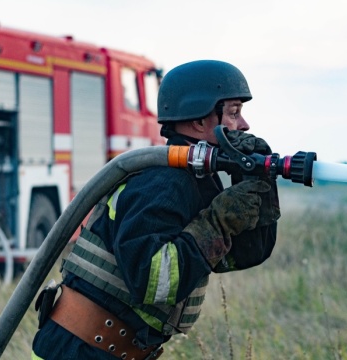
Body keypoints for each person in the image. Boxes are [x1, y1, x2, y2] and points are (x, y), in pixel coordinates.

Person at [31, 59, 281, 360]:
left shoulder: (197, 179)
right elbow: (152, 282)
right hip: (79, 350)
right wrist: (218, 224)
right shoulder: (164, 180)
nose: (244, 125)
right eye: (234, 113)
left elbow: (247, 252)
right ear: (200, 122)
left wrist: (257, 177)